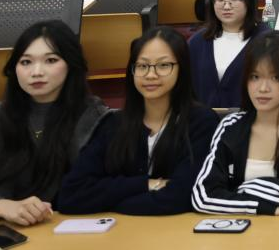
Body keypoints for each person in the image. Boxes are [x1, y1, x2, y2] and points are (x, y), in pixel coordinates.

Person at [0, 21, 108, 225]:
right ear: (14, 69)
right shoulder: (0, 117)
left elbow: (111, 185)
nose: (36, 72)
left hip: (76, 227)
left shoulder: (93, 116)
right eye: (26, 62)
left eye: (51, 60)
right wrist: (1, 206)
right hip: (11, 229)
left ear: (71, 65)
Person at [57, 27, 219, 215]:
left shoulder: (201, 122)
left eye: (163, 65)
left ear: (182, 69)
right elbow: (70, 195)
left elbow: (181, 196)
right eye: (142, 66)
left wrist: (109, 201)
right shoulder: (113, 124)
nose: (150, 75)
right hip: (122, 231)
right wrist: (146, 184)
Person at [192, 31, 279, 215]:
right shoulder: (230, 125)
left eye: (276, 77)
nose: (262, 88)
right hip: (241, 230)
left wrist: (244, 189)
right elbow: (202, 197)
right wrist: (261, 207)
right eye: (255, 77)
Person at [189, 0, 269, 109]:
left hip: (248, 120)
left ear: (249, 2)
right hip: (204, 121)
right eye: (220, 0)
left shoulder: (266, 41)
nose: (226, 6)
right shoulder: (197, 42)